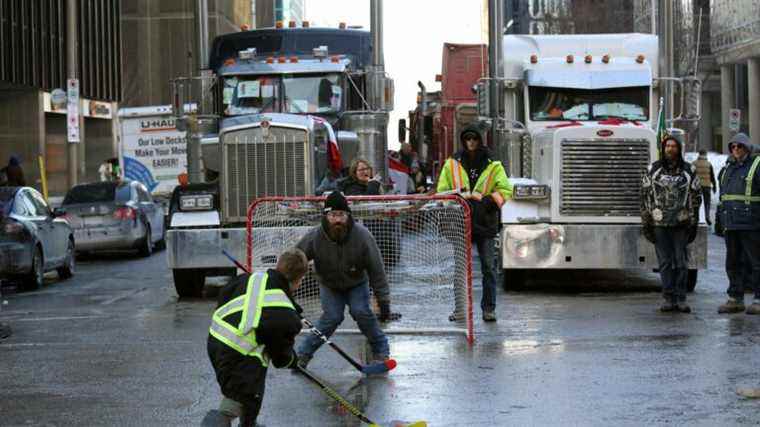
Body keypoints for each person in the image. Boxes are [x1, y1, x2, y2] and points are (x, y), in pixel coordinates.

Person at [203, 247, 308, 427]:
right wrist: (291, 359)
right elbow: (280, 356)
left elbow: (224, 296)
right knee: (239, 395)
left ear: (278, 265)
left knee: (253, 386)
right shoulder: (286, 314)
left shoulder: (249, 278)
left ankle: (249, 423)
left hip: (215, 342)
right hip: (237, 353)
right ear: (300, 280)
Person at [295, 191, 393, 368]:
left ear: (348, 215)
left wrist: (383, 300)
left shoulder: (363, 236)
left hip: (357, 282)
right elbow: (295, 259)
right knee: (331, 317)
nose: (337, 220)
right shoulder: (315, 236)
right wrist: (282, 285)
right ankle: (303, 354)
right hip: (329, 284)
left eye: (341, 214)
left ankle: (381, 351)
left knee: (361, 311)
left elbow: (377, 270)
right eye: (333, 215)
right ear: (326, 216)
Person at [436, 125, 513, 322]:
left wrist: (488, 202)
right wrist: (455, 203)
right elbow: (443, 190)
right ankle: (460, 309)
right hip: (461, 221)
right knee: (460, 268)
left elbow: (505, 190)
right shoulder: (452, 163)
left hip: (485, 222)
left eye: (474, 139)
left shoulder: (493, 163)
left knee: (488, 267)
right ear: (463, 140)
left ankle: (488, 309)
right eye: (467, 138)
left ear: (480, 140)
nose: (471, 142)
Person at [641, 135, 702, 313]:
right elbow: (644, 197)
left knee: (682, 263)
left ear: (679, 149)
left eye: (674, 146)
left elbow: (696, 197)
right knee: (665, 263)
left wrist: (693, 221)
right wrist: (647, 222)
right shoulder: (653, 169)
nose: (670, 149)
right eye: (667, 146)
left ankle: (681, 298)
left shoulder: (688, 170)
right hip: (659, 225)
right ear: (663, 148)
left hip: (681, 225)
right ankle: (668, 298)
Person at [717, 133, 760, 315]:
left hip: (752, 223)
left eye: (739, 146)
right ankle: (735, 298)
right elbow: (723, 195)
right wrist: (720, 219)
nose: (736, 150)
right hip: (731, 223)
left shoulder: (757, 166)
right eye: (733, 147)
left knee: (756, 263)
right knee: (733, 262)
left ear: (747, 148)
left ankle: (758, 299)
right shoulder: (728, 167)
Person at [692, 149, 717, 225]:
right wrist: (714, 186)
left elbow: (691, 175)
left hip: (697, 186)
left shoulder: (694, 163)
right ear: (705, 154)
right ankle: (707, 216)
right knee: (707, 202)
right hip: (707, 185)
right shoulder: (708, 164)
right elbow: (712, 176)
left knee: (696, 202)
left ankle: (696, 217)